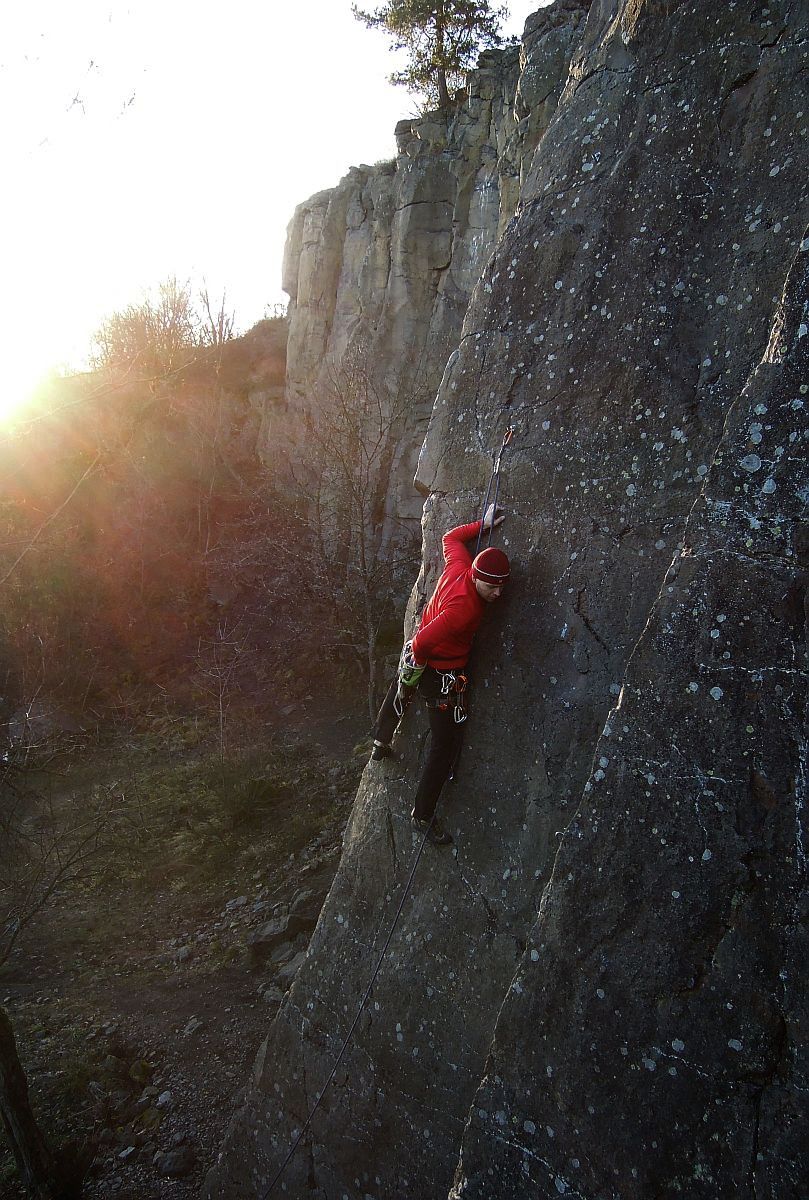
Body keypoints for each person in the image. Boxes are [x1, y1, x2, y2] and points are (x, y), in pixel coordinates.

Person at [371, 504, 510, 846]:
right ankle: (421, 816)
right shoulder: (463, 610)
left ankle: (380, 741)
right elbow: (423, 642)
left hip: (423, 656)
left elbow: (450, 537)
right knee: (444, 745)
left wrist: (483, 524)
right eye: (492, 587)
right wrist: (417, 672)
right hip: (439, 673)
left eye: (502, 586)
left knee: (399, 690)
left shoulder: (461, 565)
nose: (498, 594)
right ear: (478, 579)